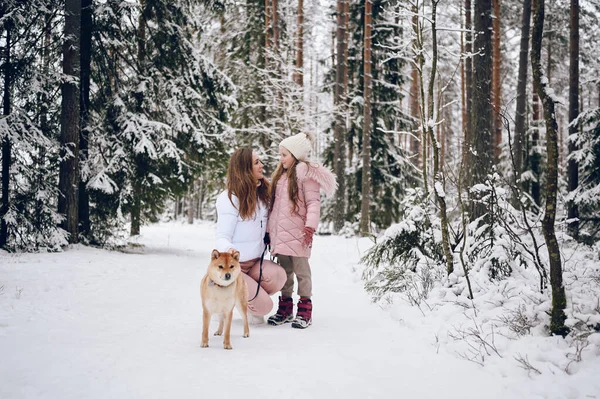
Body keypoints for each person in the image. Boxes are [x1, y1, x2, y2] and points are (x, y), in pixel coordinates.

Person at [266, 133, 336, 329]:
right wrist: (269, 231)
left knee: (302, 273)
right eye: (280, 155)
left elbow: (314, 203)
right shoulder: (279, 177)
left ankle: (305, 309)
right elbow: (275, 208)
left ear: (295, 155)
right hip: (281, 236)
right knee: (284, 273)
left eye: (284, 155)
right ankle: (286, 308)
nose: (281, 159)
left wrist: (309, 227)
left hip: (298, 235)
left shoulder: (306, 176)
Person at [215, 148, 287, 324]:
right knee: (264, 307)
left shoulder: (262, 194)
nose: (262, 165)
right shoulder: (230, 198)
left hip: (256, 262)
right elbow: (221, 236)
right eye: (256, 163)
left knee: (279, 276)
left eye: (260, 161)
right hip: (233, 267)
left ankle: (245, 299)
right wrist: (229, 250)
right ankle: (224, 297)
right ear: (244, 168)